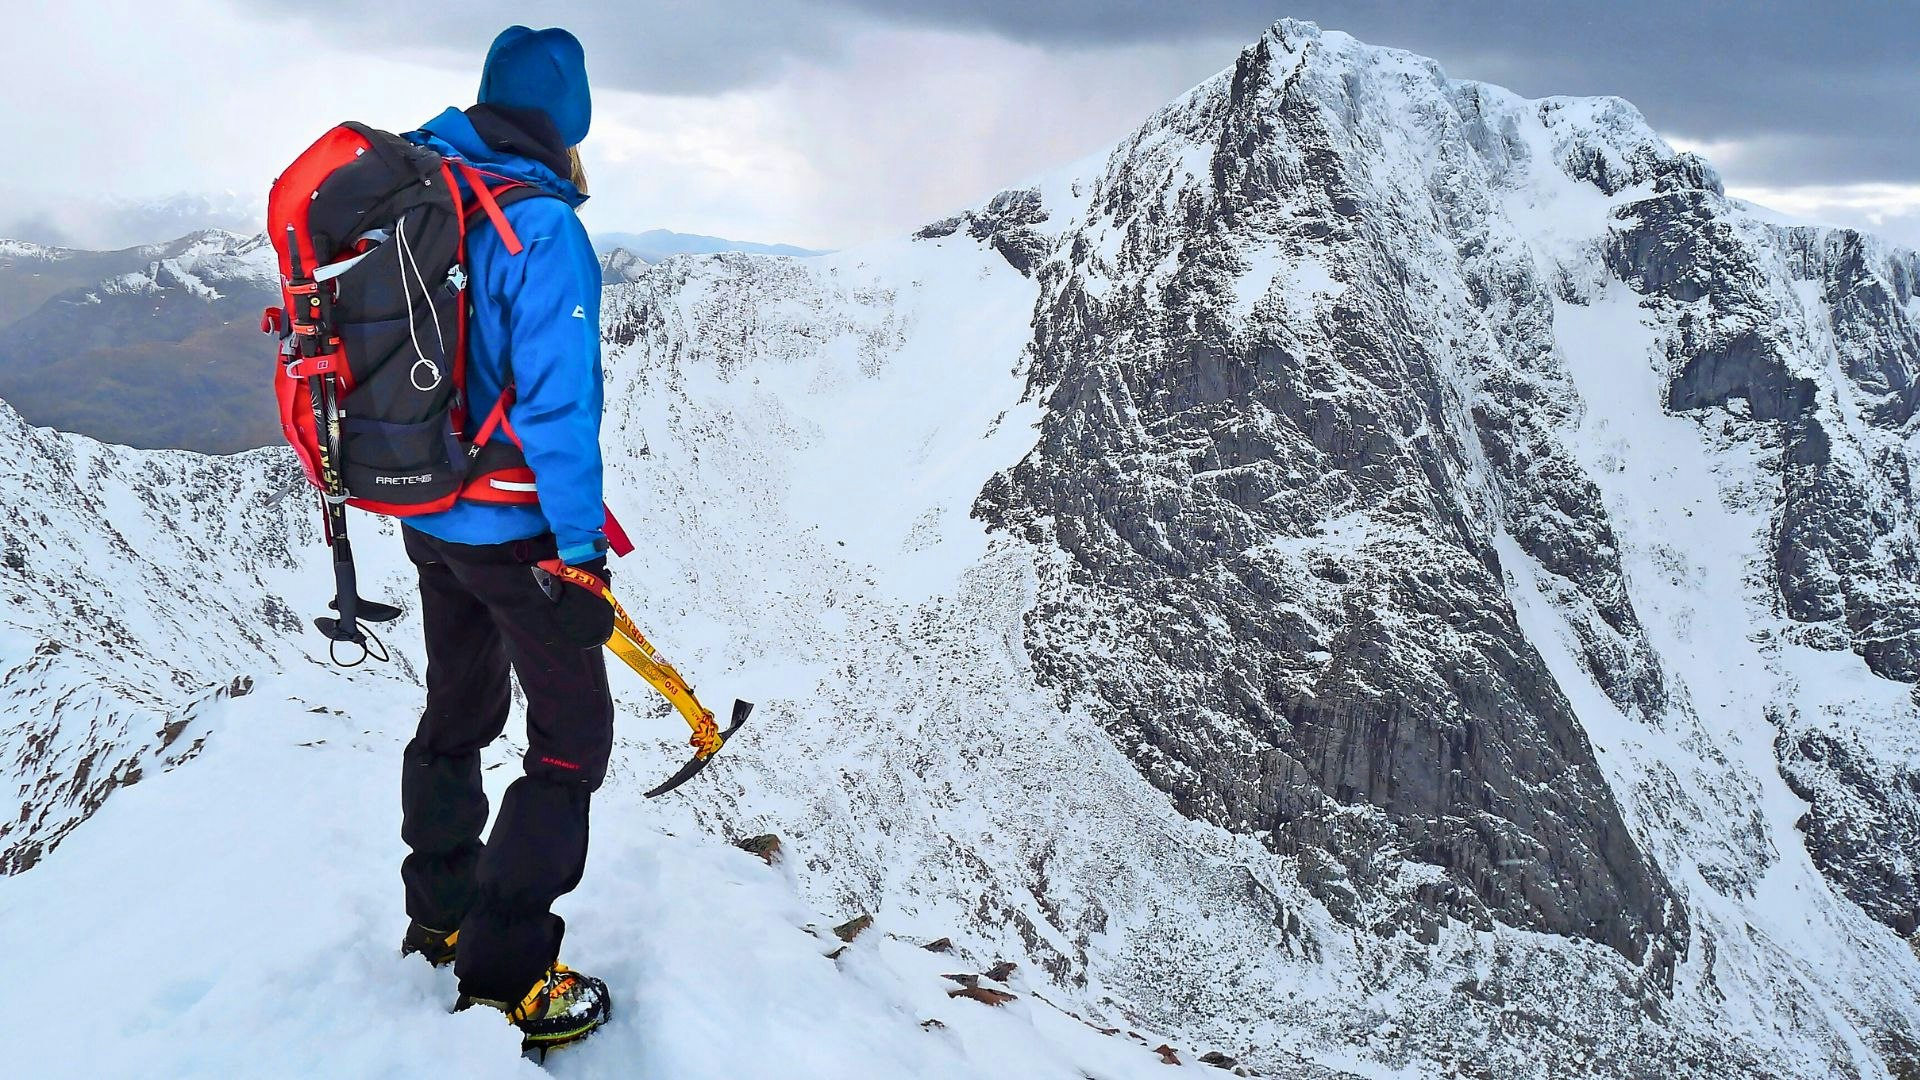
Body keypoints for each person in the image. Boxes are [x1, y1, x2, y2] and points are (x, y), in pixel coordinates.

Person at [392, 25, 616, 1052]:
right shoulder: (541, 230)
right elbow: (561, 416)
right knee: (569, 744)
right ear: (567, 126)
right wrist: (581, 556)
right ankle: (507, 966)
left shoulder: (424, 194)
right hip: (515, 531)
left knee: (459, 706)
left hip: (424, 512)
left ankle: (438, 914)